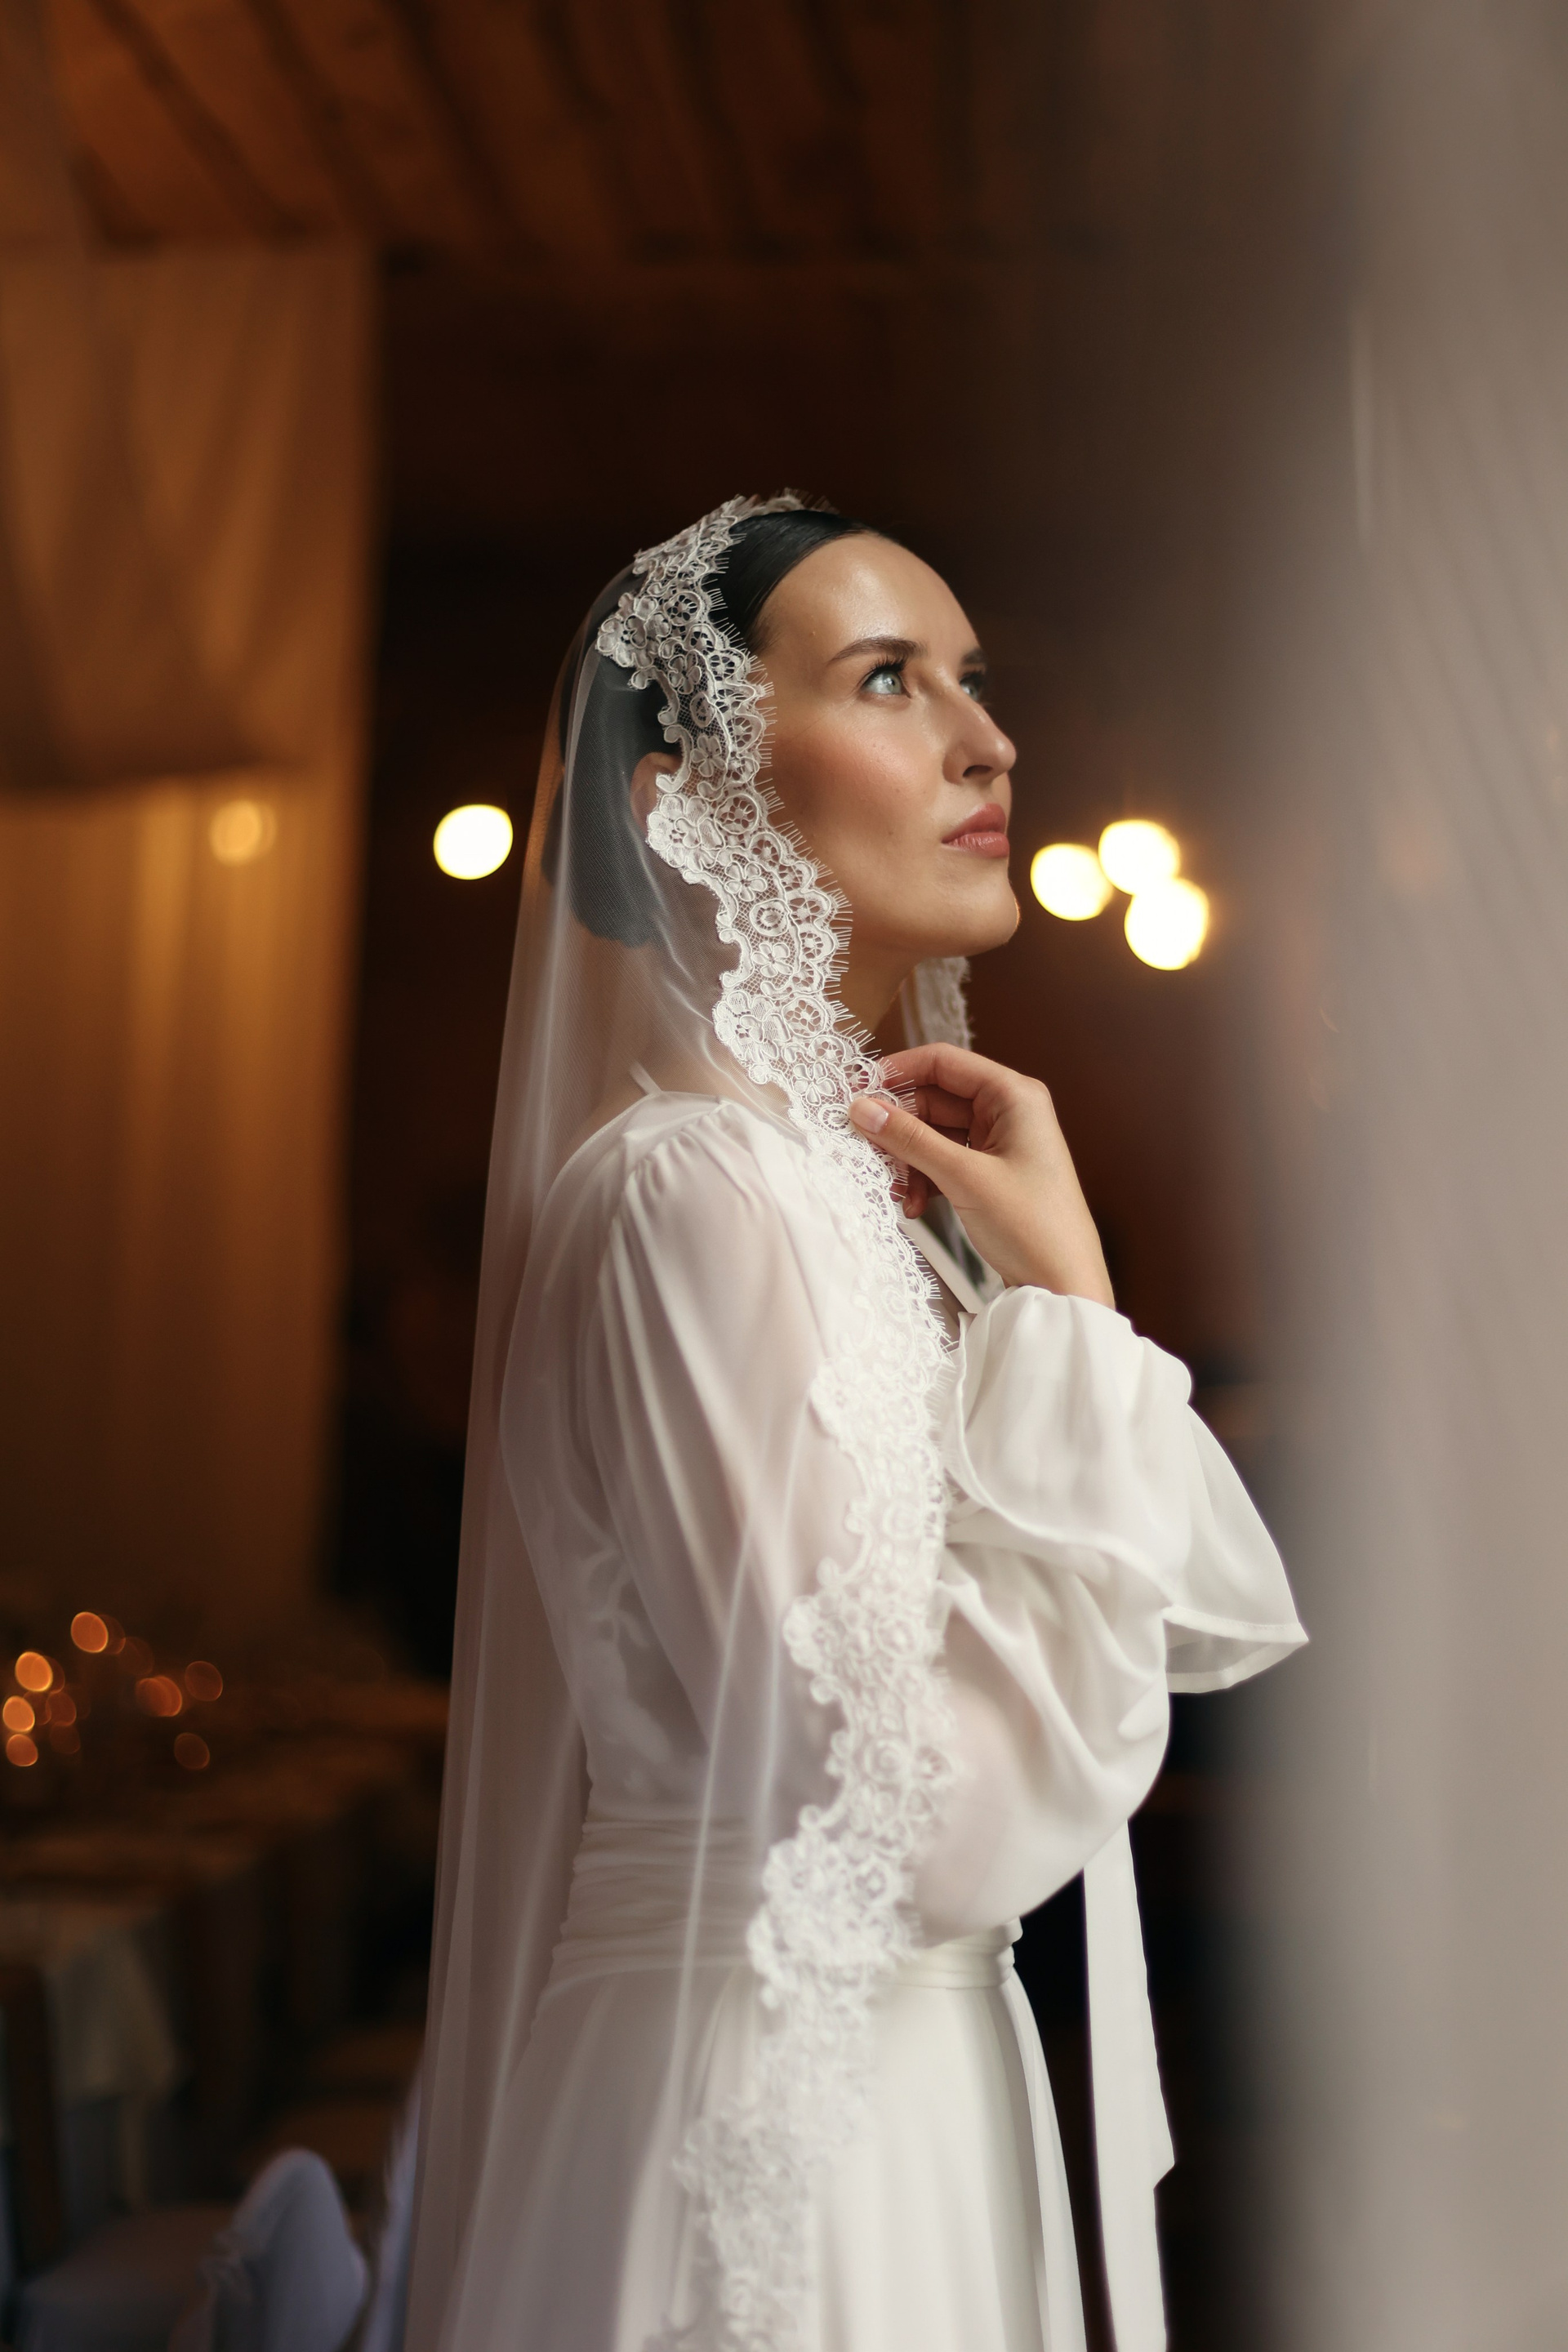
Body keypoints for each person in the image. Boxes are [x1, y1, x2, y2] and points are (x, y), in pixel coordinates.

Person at [404, 495, 1304, 2352]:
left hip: (910, 2092)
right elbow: (909, 1818)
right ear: (685, 804)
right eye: (890, 680)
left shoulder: (854, 1215)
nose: (991, 742)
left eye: (974, 679)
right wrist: (1074, 1314)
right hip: (774, 2130)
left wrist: (1045, 1289)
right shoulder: (691, 1195)